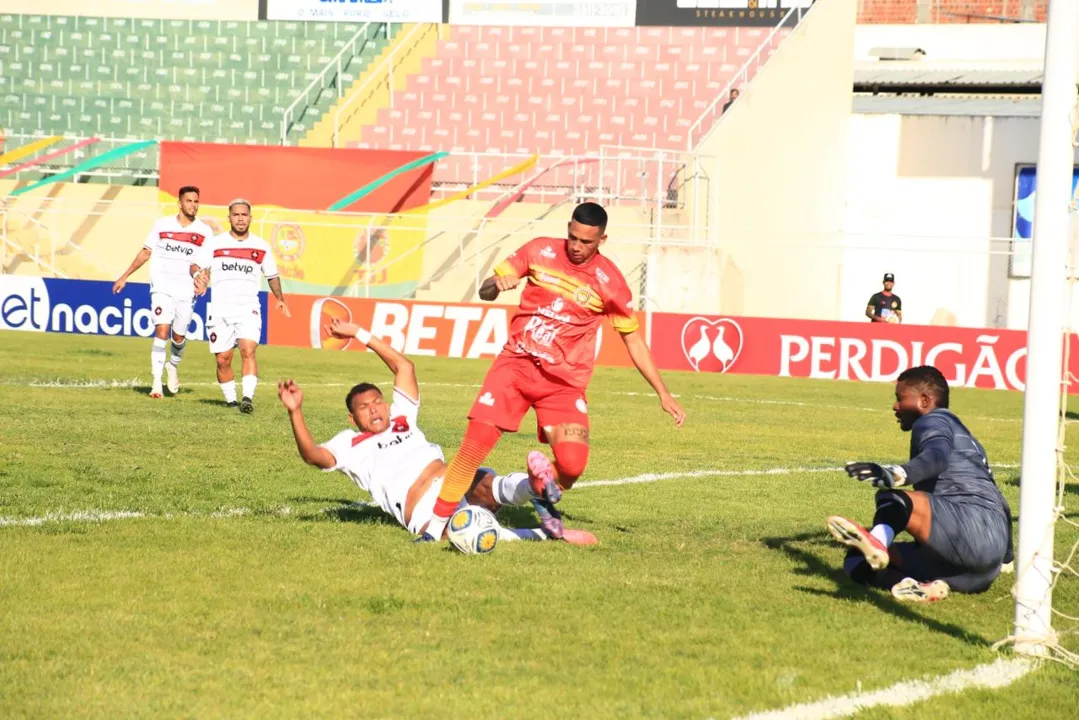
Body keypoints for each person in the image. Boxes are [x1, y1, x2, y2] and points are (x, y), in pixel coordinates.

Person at [418, 202, 687, 543]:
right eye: (572, 237)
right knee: (472, 450)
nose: (575, 246)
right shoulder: (539, 250)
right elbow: (485, 291)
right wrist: (497, 284)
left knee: (572, 467)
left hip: (563, 386)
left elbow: (633, 340)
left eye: (585, 242)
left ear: (602, 240)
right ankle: (432, 531)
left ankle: (537, 486)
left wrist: (663, 393)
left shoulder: (611, 284)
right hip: (514, 368)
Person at [279, 318, 597, 545]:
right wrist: (296, 412)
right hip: (423, 509)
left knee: (487, 483)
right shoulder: (349, 443)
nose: (374, 408)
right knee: (464, 535)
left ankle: (535, 485)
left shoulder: (403, 417)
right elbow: (312, 455)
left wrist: (359, 332)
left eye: (377, 401)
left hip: (452, 483)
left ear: (387, 405)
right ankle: (548, 535)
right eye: (364, 407)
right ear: (352, 418)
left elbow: (404, 368)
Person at [826, 365, 1013, 602]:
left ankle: (879, 542)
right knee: (856, 559)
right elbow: (1000, 502)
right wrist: (1006, 559)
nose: (895, 406)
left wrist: (896, 474)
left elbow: (936, 457)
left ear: (924, 401)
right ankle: (915, 587)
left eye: (900, 398)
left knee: (893, 499)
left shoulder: (934, 420)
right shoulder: (970, 442)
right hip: (979, 574)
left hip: (969, 534)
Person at [113, 186, 215, 399]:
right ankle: (156, 384)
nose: (193, 205)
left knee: (179, 337)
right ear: (180, 203)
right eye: (189, 201)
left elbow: (203, 265)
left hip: (186, 292)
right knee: (162, 331)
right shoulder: (162, 225)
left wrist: (203, 281)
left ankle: (173, 366)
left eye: (196, 201)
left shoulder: (205, 232)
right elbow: (146, 252)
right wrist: (125, 276)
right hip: (161, 287)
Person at [191, 199, 290, 413]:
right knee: (223, 360)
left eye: (244, 215)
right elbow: (195, 265)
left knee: (248, 350)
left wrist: (280, 298)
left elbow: (272, 275)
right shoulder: (215, 243)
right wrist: (198, 276)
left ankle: (247, 398)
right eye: (236, 215)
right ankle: (231, 401)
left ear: (250, 218)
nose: (240, 218)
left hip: (248, 308)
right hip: (220, 310)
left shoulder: (261, 246)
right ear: (229, 218)